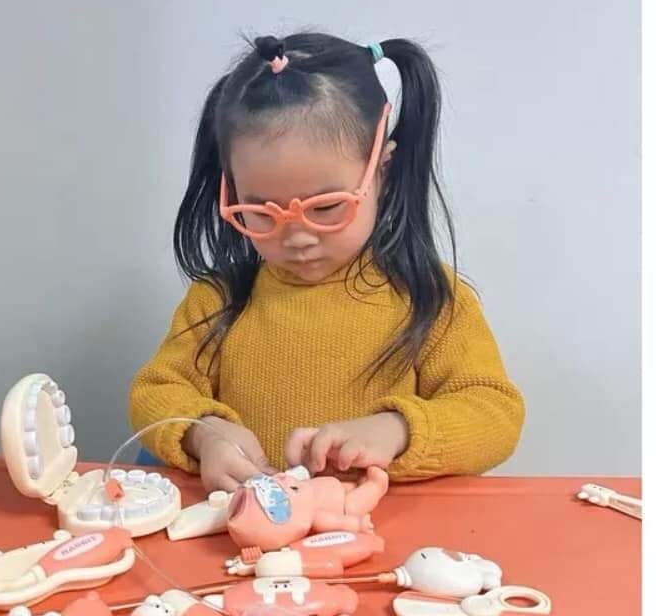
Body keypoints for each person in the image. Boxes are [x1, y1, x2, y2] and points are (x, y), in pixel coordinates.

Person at [128, 31, 525, 494]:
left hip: (378, 530)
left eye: (326, 207)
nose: (297, 237)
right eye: (261, 212)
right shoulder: (217, 300)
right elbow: (156, 391)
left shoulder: (430, 297)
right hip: (248, 531)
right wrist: (204, 433)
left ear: (383, 171)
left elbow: (494, 411)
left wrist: (397, 430)